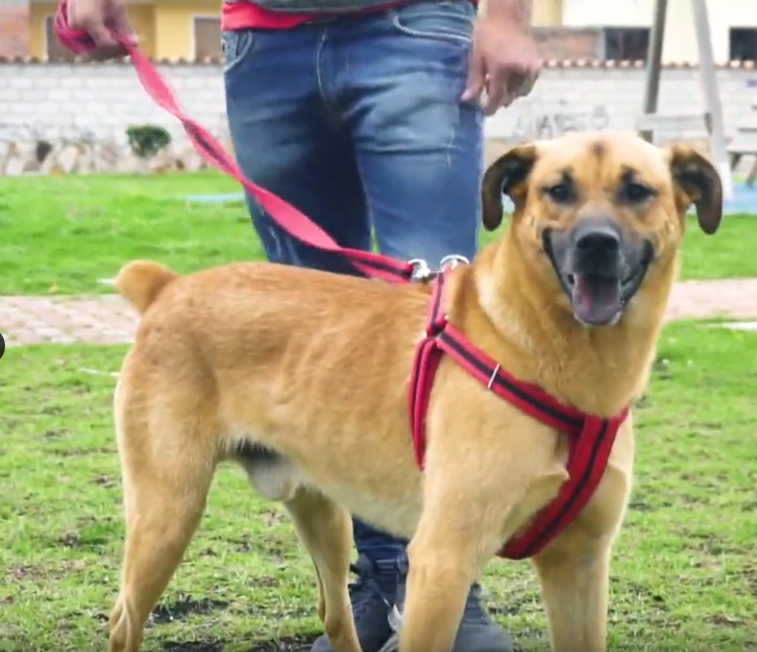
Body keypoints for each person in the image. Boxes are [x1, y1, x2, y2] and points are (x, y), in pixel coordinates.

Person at [60, 0, 541, 649]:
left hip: (418, 28)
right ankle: (385, 580)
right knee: (323, 364)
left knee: (437, 330)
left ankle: (446, 590)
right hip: (264, 44)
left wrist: (508, 14)